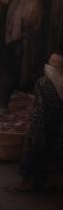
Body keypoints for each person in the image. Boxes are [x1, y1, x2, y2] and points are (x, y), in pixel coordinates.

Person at [14, 52, 63, 192]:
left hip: (42, 122)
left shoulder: (43, 82)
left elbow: (39, 109)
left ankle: (28, 182)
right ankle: (50, 180)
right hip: (57, 125)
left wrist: (33, 125)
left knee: (35, 148)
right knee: (53, 151)